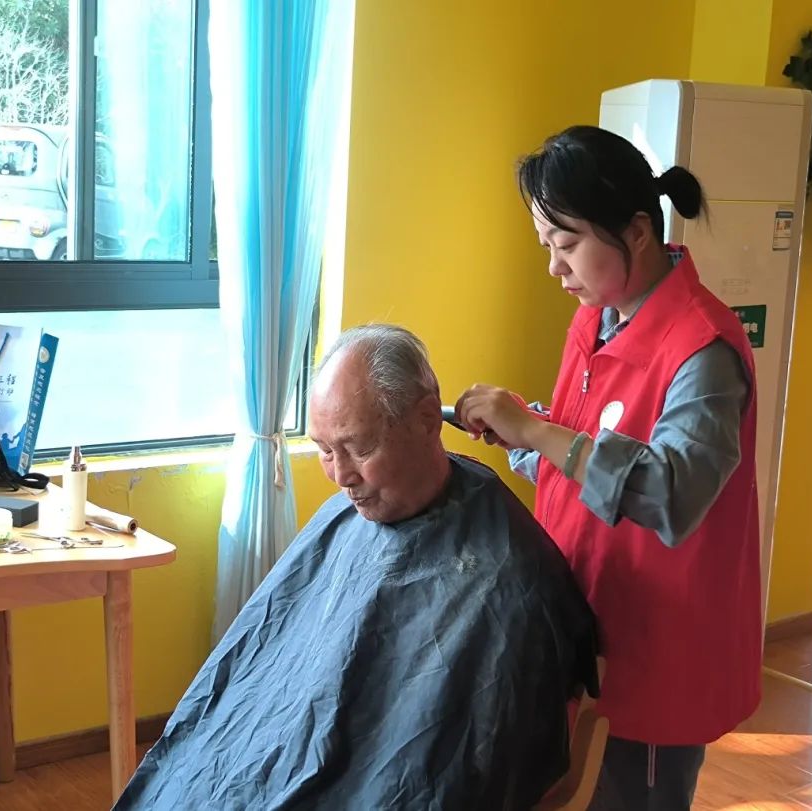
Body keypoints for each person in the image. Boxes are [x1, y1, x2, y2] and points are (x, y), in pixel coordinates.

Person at [114, 324, 599, 810]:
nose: (342, 476)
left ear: (427, 420)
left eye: (360, 449)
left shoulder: (504, 579)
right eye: (325, 451)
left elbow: (456, 764)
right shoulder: (344, 517)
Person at [454, 125, 762, 810]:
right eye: (547, 247)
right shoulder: (597, 320)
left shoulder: (703, 350)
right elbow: (581, 453)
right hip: (588, 623)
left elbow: (672, 492)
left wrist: (538, 430)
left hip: (657, 648)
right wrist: (520, 435)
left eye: (566, 246)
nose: (554, 268)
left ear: (637, 232)